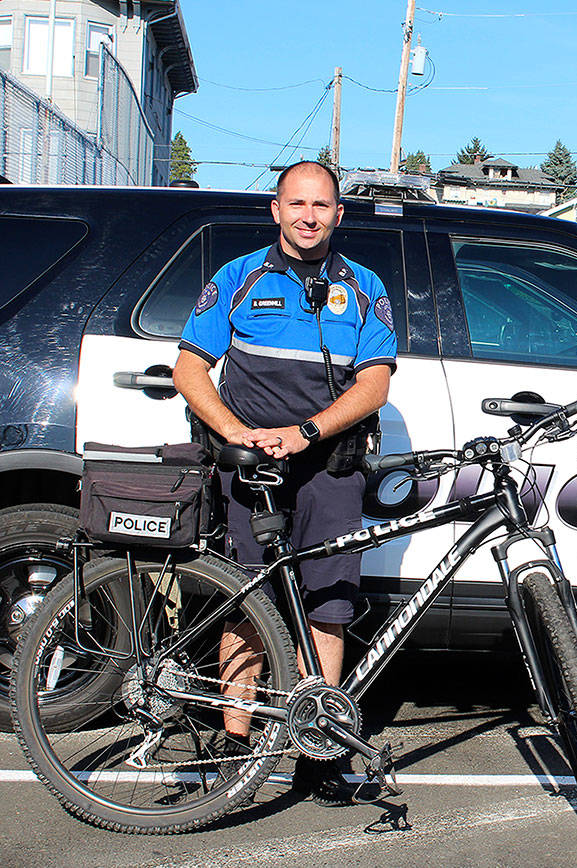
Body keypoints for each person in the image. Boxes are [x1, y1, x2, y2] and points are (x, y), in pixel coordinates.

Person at [174, 160, 397, 805]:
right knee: (245, 602)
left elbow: (375, 382)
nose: (308, 216)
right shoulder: (238, 278)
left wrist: (308, 431)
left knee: (328, 602)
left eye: (321, 205)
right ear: (275, 210)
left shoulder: (362, 286)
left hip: (327, 465)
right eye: (295, 204)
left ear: (338, 214)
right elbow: (190, 368)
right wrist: (235, 432)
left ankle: (316, 747)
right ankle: (236, 745)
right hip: (252, 468)